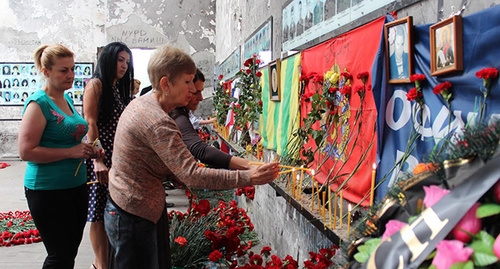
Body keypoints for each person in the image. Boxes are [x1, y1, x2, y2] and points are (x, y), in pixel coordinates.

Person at [104, 45, 279, 269]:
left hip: (128, 205)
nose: (193, 89)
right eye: (187, 82)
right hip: (133, 213)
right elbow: (193, 175)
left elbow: (146, 157)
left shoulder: (143, 103)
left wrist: (170, 171)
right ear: (166, 84)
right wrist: (248, 177)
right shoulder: (158, 121)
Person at [18, 44, 103, 268]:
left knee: (69, 252)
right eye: (63, 70)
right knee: (60, 255)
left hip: (74, 185)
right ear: (46, 71)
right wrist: (71, 152)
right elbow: (26, 151)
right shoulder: (39, 104)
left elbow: (70, 139)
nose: (71, 75)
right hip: (48, 189)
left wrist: (88, 150)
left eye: (72, 69)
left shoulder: (65, 100)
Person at [83, 41, 134, 269]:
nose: (123, 65)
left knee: (111, 210)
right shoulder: (96, 84)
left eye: (126, 61)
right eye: (119, 60)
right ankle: (100, 264)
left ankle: (107, 262)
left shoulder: (117, 89)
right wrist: (98, 160)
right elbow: (90, 123)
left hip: (117, 159)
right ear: (108, 59)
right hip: (101, 158)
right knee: (97, 211)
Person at [169, 69, 246, 169]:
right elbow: (201, 150)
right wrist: (248, 166)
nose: (201, 98)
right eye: (195, 92)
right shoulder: (177, 116)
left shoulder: (179, 112)